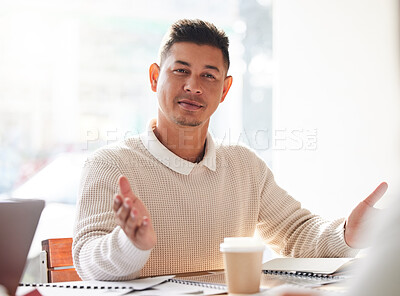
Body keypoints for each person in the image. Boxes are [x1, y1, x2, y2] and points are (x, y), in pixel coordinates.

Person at [72, 19, 387, 281]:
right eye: (180, 70)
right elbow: (85, 261)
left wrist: (346, 235)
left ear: (224, 89)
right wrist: (131, 245)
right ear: (155, 78)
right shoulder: (109, 165)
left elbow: (296, 233)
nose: (193, 86)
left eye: (208, 75)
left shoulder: (244, 166)